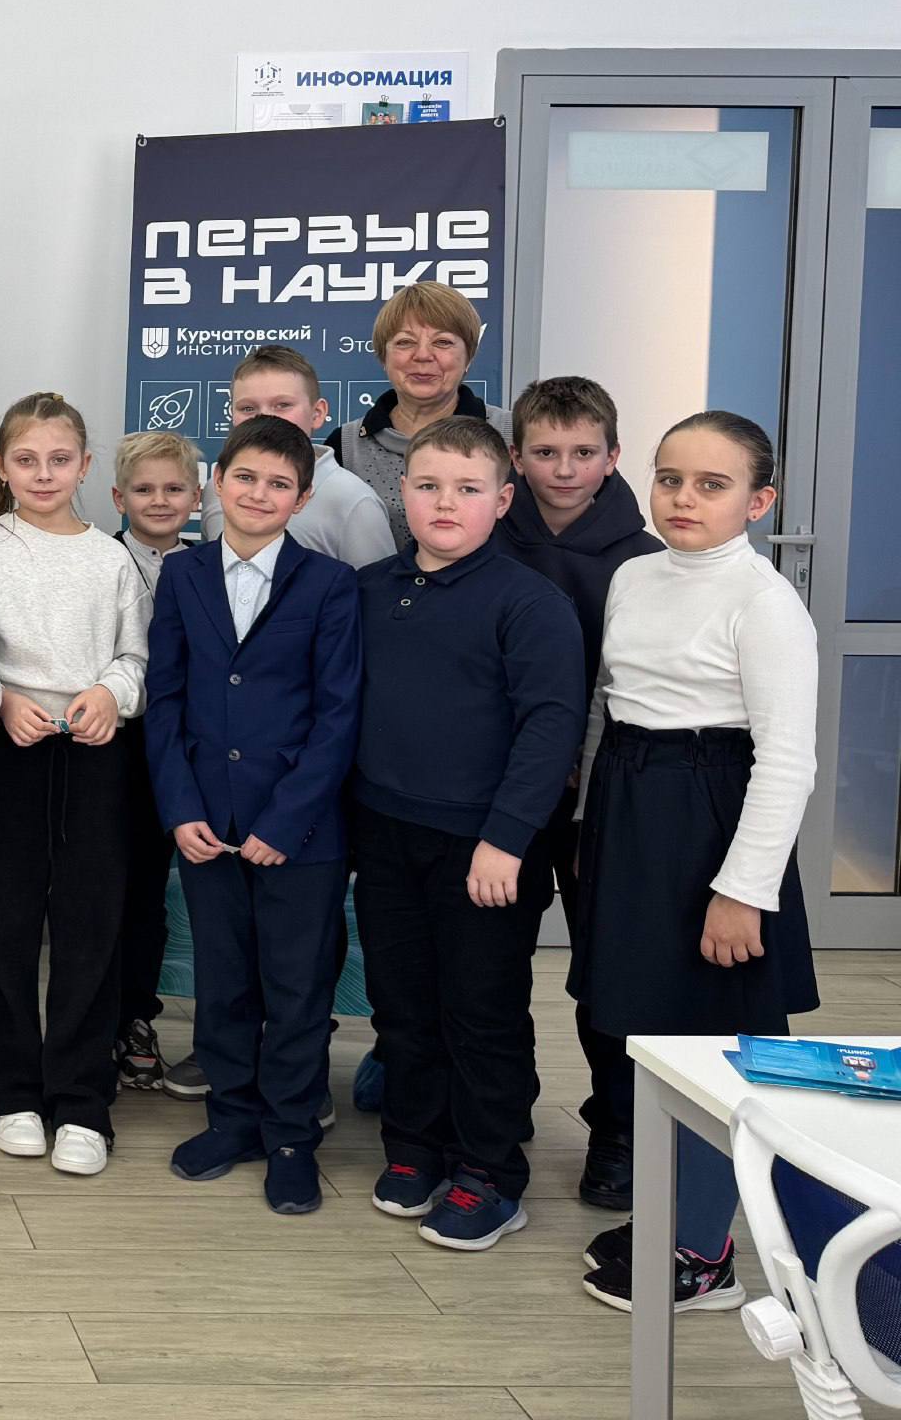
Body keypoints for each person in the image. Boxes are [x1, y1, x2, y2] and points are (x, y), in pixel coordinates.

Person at [574, 411, 818, 1316]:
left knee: (714, 1040)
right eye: (670, 478)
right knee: (647, 1029)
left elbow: (787, 761)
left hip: (711, 813)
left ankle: (707, 1254)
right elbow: (614, 703)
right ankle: (673, 1219)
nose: (683, 498)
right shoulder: (635, 574)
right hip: (632, 804)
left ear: (759, 501)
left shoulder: (765, 603)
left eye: (712, 485)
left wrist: (742, 892)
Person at [350, 416, 584, 1252]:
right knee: (401, 1002)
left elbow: (550, 729)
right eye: (428, 486)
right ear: (403, 493)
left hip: (484, 847)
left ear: (503, 500)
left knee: (480, 1009)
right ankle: (415, 1144)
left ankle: (489, 1171)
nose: (445, 502)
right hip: (385, 833)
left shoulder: (530, 603)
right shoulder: (369, 590)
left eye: (467, 488)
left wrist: (507, 838)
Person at [146, 414, 362, 1217]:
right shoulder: (183, 575)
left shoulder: (330, 584)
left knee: (297, 989)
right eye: (245, 477)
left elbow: (338, 716)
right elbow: (164, 701)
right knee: (223, 980)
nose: (259, 494)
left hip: (299, 832)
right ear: (217, 482)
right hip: (207, 822)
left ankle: (292, 1136)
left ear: (301, 499)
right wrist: (180, 809)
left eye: (279, 485)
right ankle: (231, 1117)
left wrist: (285, 821)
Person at [0, 394, 150, 1173]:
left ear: (85, 466)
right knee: (1, 923)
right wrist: (2, 698)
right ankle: (9, 1090)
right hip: (6, 753)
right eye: (27, 460)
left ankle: (81, 1099)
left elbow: (135, 658)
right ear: (1, 467)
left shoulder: (111, 559)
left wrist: (110, 693)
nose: (43, 474)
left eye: (59, 460)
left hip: (94, 755)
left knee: (89, 927)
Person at [497, 373, 661, 1211]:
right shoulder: (487, 538)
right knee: (492, 958)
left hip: (604, 796)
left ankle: (618, 1129)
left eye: (583, 453)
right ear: (516, 458)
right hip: (501, 791)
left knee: (608, 967)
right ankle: (499, 1108)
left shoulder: (648, 560)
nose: (564, 470)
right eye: (546, 452)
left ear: (613, 457)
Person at [108, 429, 203, 1101]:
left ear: (197, 497)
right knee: (121, 890)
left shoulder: (212, 566)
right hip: (119, 747)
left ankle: (159, 1017)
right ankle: (119, 1020)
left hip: (193, 751)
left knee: (164, 898)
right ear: (119, 498)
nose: (160, 500)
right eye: (144, 489)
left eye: (174, 489)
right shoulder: (99, 560)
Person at [330, 281, 513, 553]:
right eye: (405, 342)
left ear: (469, 357)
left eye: (442, 342)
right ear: (383, 356)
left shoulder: (512, 434)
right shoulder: (345, 446)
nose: (423, 355)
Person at [202, 346, 394, 567]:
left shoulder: (354, 500)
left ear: (317, 413)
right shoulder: (216, 490)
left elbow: (376, 586)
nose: (265, 417)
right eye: (247, 408)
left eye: (283, 405)